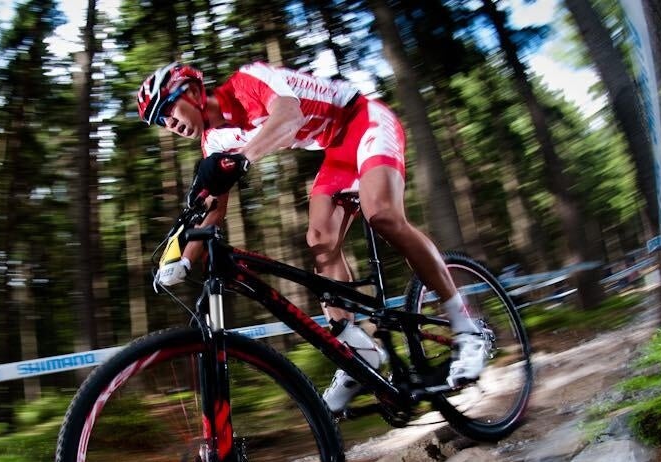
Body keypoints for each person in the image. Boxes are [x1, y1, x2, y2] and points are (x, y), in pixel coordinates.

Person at [137, 61, 487, 412]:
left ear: (193, 92)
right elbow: (213, 209)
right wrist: (183, 258)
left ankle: (467, 328)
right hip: (337, 149)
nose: (168, 124)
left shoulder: (247, 81)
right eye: (159, 121)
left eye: (167, 108)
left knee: (381, 214)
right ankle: (358, 355)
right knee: (320, 241)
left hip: (364, 118)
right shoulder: (214, 141)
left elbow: (289, 116)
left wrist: (242, 158)